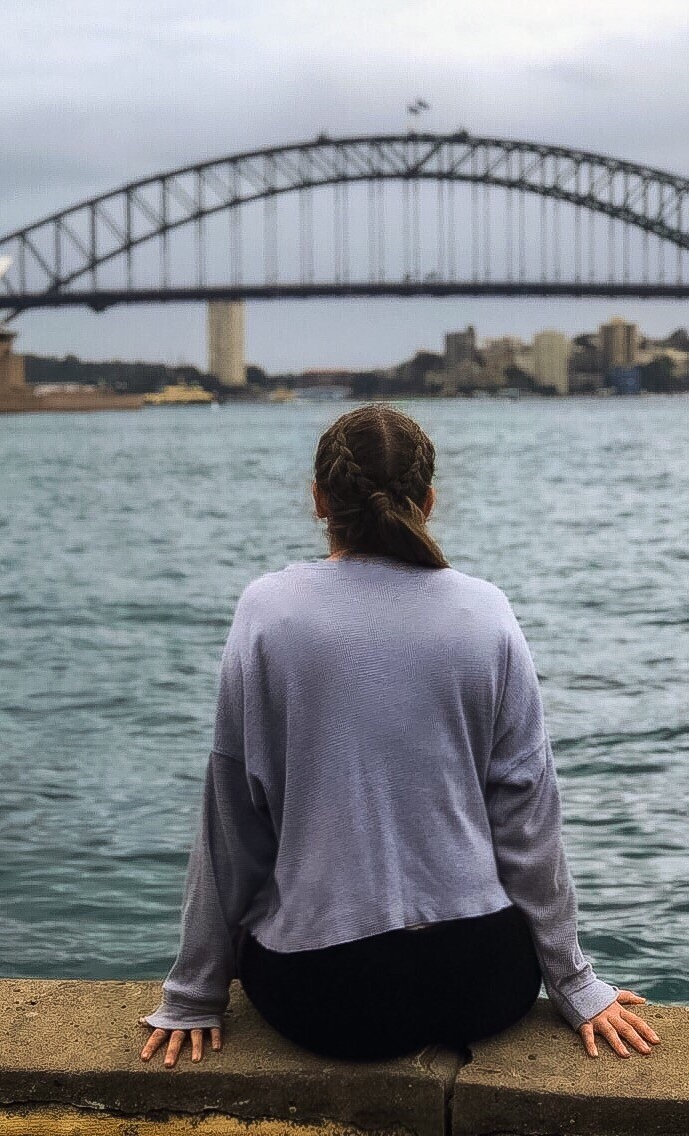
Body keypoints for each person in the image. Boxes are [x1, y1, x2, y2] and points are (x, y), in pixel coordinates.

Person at [138, 404, 658, 1066]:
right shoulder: (487, 613)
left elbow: (232, 825)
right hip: (483, 984)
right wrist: (576, 982)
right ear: (430, 501)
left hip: (326, 999)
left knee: (269, 912)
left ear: (319, 499)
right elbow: (528, 828)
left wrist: (195, 992)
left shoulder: (268, 612)